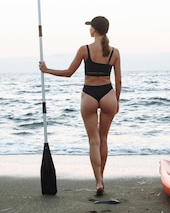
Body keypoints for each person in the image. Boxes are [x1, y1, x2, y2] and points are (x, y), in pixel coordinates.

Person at [39, 16, 121, 196]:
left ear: (94, 30)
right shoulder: (114, 52)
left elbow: (69, 73)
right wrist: (117, 101)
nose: (89, 29)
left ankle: (98, 181)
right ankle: (101, 177)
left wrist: (47, 70)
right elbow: (119, 80)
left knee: (94, 141)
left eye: (90, 26)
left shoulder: (85, 50)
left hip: (89, 95)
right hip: (108, 95)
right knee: (104, 139)